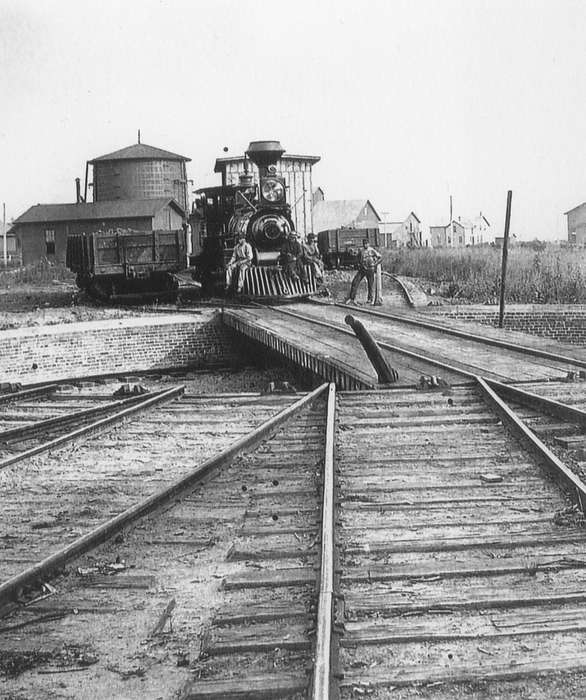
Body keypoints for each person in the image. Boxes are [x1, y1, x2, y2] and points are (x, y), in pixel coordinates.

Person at [345, 238, 382, 304]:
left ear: (368, 244)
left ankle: (370, 299)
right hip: (362, 269)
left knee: (370, 285)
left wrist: (375, 264)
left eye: (366, 243)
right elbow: (357, 257)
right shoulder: (361, 251)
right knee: (355, 281)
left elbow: (380, 257)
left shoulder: (372, 250)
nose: (365, 245)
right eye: (364, 244)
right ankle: (352, 298)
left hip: (370, 269)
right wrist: (359, 263)